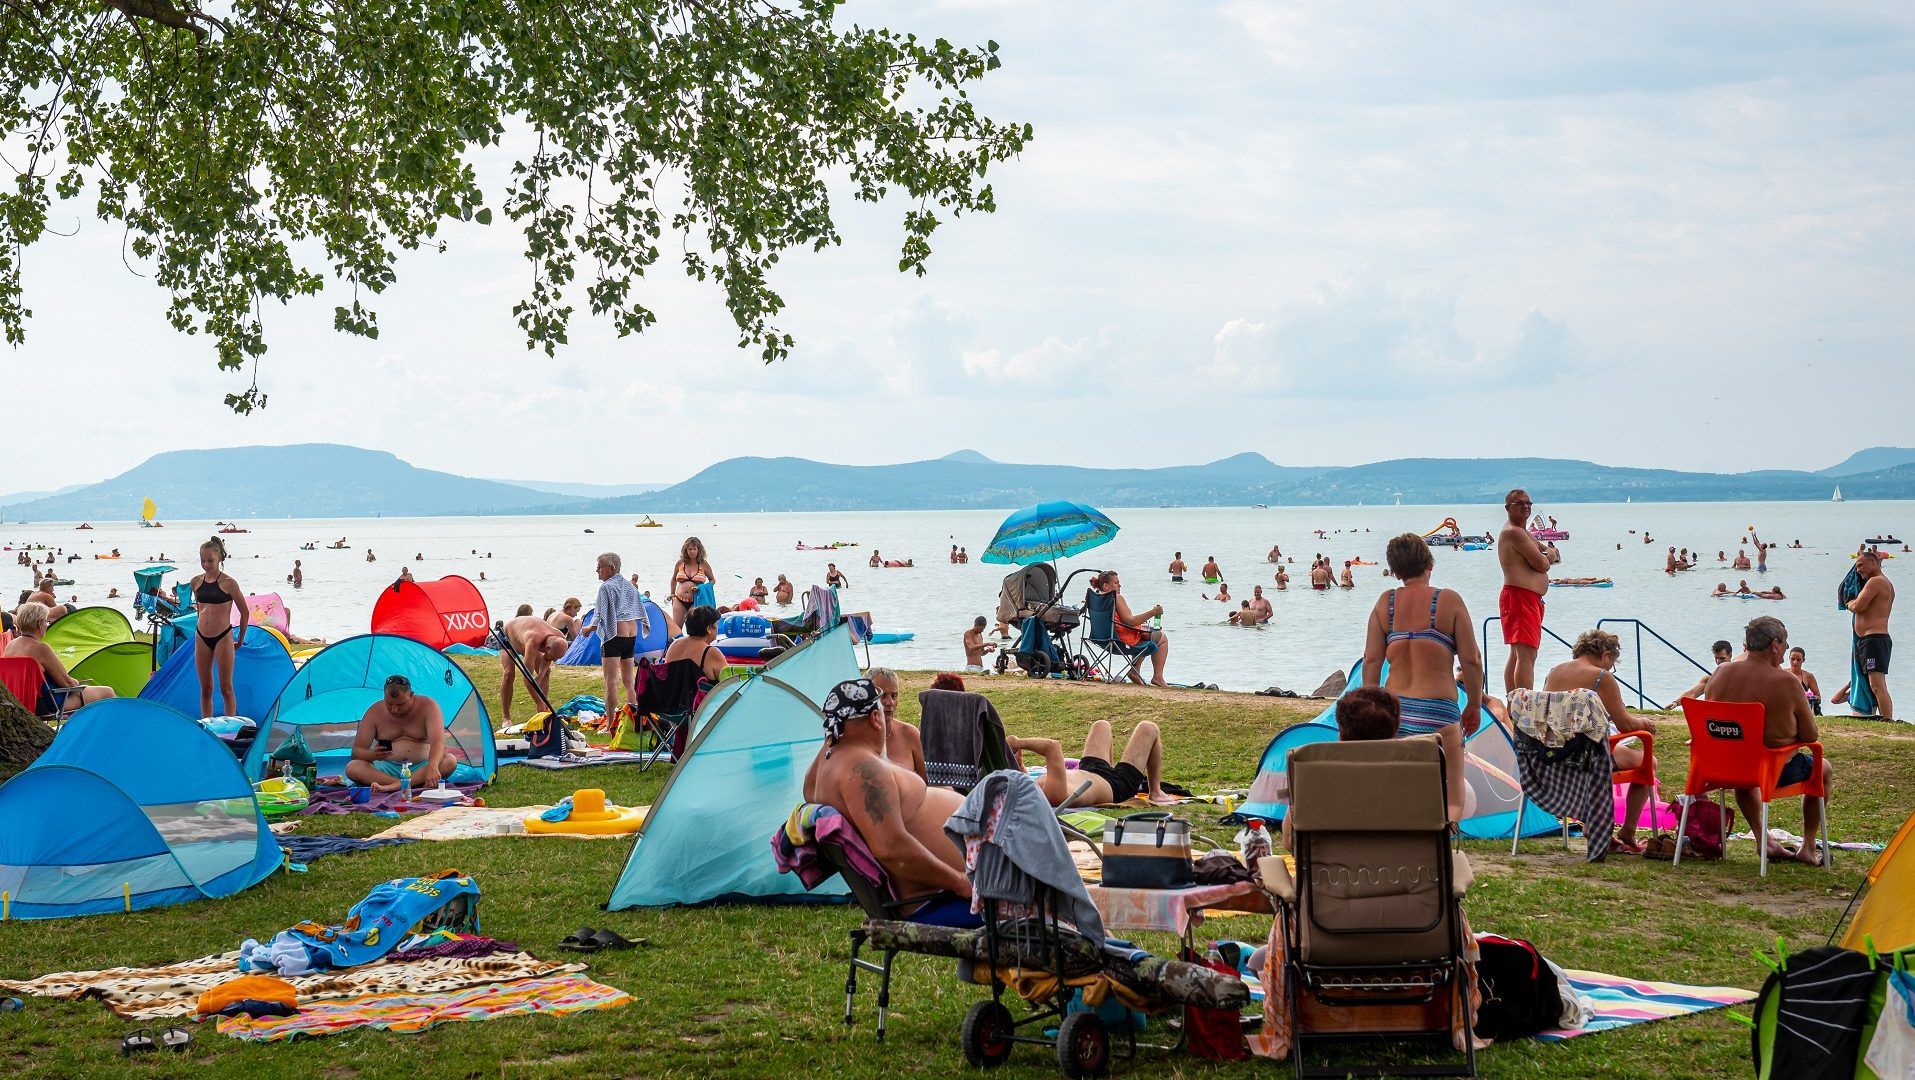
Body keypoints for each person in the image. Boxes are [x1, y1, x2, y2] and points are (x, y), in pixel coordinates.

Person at [803, 679, 972, 919]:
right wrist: (959, 882)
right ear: (874, 718)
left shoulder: (825, 763)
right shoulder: (862, 771)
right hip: (935, 898)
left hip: (940, 891)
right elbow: (891, 849)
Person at [1362, 532, 1484, 824]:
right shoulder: (1449, 600)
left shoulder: (1385, 603)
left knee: (1397, 788)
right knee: (1453, 795)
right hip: (1438, 711)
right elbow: (1471, 660)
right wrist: (1475, 705)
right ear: (1430, 562)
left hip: (1395, 710)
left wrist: (1371, 707)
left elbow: (1371, 660)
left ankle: (1402, 840)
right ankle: (1442, 844)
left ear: (1394, 571)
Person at [1704, 617, 1832, 866]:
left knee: (1745, 763)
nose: (1786, 649)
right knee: (1823, 768)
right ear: (1775, 644)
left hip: (1723, 766)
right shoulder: (1787, 682)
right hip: (1768, 770)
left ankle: (1764, 838)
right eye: (1785, 643)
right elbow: (1810, 736)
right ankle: (1807, 846)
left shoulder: (1720, 673)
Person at [1538, 630, 1659, 853]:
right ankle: (1628, 831)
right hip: (1587, 758)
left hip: (1553, 758)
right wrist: (1644, 723)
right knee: (1649, 763)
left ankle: (1593, 825)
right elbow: (1626, 725)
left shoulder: (1554, 672)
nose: (1609, 669)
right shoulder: (1601, 677)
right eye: (1611, 664)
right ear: (1605, 655)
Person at [1281, 687, 1400, 851]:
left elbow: (1290, 841)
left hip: (1326, 876)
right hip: (1405, 875)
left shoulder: (1313, 773)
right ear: (1394, 730)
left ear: (1341, 732)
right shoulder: (1420, 772)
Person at [1010, 720, 1176, 807]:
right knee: (1148, 728)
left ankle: (1153, 789)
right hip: (1116, 787)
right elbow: (1052, 747)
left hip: (1092, 772)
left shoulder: (1034, 791)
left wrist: (1021, 766)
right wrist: (1018, 743)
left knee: (1101, 725)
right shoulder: (1055, 795)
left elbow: (1027, 785)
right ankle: (1155, 792)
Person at [344, 675, 458, 792]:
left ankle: (394, 787)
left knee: (450, 761)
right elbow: (357, 752)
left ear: (411, 695)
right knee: (352, 767)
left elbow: (438, 742)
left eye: (400, 705)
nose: (394, 710)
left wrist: (432, 766)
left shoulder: (428, 706)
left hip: (421, 767)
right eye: (389, 704)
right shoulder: (374, 712)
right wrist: (373, 755)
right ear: (384, 696)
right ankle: (406, 785)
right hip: (386, 770)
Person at [2, 602, 115, 714]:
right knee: (107, 692)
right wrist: (77, 684)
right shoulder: (41, 648)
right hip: (49, 703)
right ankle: (112, 729)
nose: (47, 625)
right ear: (40, 624)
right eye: (46, 622)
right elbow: (67, 683)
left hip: (22, 701)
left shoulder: (10, 646)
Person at [1497, 489, 1550, 693]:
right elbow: (1543, 563)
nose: (1526, 506)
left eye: (1528, 503)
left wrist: (1547, 554)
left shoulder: (1523, 532)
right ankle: (1525, 707)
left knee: (1519, 653)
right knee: (1526, 654)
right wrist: (1549, 556)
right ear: (1508, 508)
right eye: (1520, 503)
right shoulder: (1513, 532)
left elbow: (1543, 550)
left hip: (1528, 598)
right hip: (1519, 597)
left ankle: (1515, 705)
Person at [191, 536, 248, 719]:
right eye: (203, 561)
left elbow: (244, 612)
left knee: (226, 687)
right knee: (206, 689)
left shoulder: (229, 583)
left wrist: (240, 638)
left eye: (210, 561)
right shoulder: (196, 582)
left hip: (223, 636)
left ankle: (230, 728)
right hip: (201, 636)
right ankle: (207, 726)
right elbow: (200, 610)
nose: (206, 565)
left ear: (220, 559)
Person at [591, 552, 647, 719]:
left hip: (615, 635)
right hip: (631, 632)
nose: (597, 571)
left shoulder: (606, 587)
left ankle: (608, 724)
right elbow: (639, 608)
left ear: (611, 568)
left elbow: (599, 613)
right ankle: (634, 718)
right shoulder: (630, 586)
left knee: (611, 682)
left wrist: (590, 628)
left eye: (599, 567)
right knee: (629, 680)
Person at [1092, 570, 1169, 687]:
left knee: (1145, 632)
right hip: (1121, 641)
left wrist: (1139, 623)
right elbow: (1131, 621)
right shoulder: (1116, 597)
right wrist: (1153, 612)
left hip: (1102, 639)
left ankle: (1135, 670)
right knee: (1161, 637)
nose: (1119, 585)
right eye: (1116, 583)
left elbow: (1117, 621)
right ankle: (1156, 677)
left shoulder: (1096, 599)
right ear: (1106, 586)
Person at [497, 614, 568, 725]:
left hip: (523, 637)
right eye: (554, 657)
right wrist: (538, 702)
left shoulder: (559, 637)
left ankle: (543, 712)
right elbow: (527, 678)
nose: (553, 661)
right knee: (509, 673)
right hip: (507, 636)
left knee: (546, 673)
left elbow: (547, 659)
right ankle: (506, 717)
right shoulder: (533, 641)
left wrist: (540, 676)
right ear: (547, 648)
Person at [1849, 550, 1895, 720]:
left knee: (1877, 684)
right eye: (1857, 567)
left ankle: (1888, 720)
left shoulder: (1876, 582)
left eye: (1861, 565)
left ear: (1874, 563)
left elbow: (1859, 606)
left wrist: (1849, 603)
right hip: (1869, 640)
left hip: (1874, 639)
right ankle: (1881, 717)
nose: (1858, 570)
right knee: (1872, 684)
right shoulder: (1879, 582)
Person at [668, 537, 716, 625]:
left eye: (694, 549)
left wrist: (701, 587)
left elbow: (712, 580)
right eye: (689, 549)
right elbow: (673, 579)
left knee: (695, 628)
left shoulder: (703, 564)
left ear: (699, 550)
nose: (692, 551)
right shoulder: (680, 563)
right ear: (685, 550)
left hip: (696, 600)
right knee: (676, 629)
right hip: (679, 600)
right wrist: (672, 595)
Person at [1789, 647, 1823, 715]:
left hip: (1802, 708)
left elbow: (1818, 697)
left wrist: (1811, 697)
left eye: (1798, 660)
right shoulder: (1783, 673)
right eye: (1792, 659)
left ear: (1803, 660)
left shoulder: (1808, 676)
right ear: (1789, 658)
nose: (1795, 662)